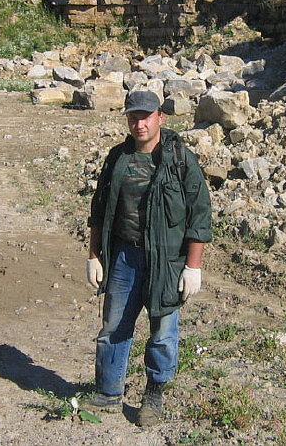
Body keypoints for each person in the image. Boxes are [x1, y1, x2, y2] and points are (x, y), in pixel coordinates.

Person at [85, 89, 212, 426]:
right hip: (124, 257)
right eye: (132, 116)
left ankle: (154, 394)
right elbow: (99, 210)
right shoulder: (117, 157)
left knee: (163, 332)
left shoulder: (180, 159)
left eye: (145, 116)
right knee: (113, 326)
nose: (138, 123)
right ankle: (109, 392)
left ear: (160, 118)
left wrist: (193, 266)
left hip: (167, 261)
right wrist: (94, 255)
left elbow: (200, 214)